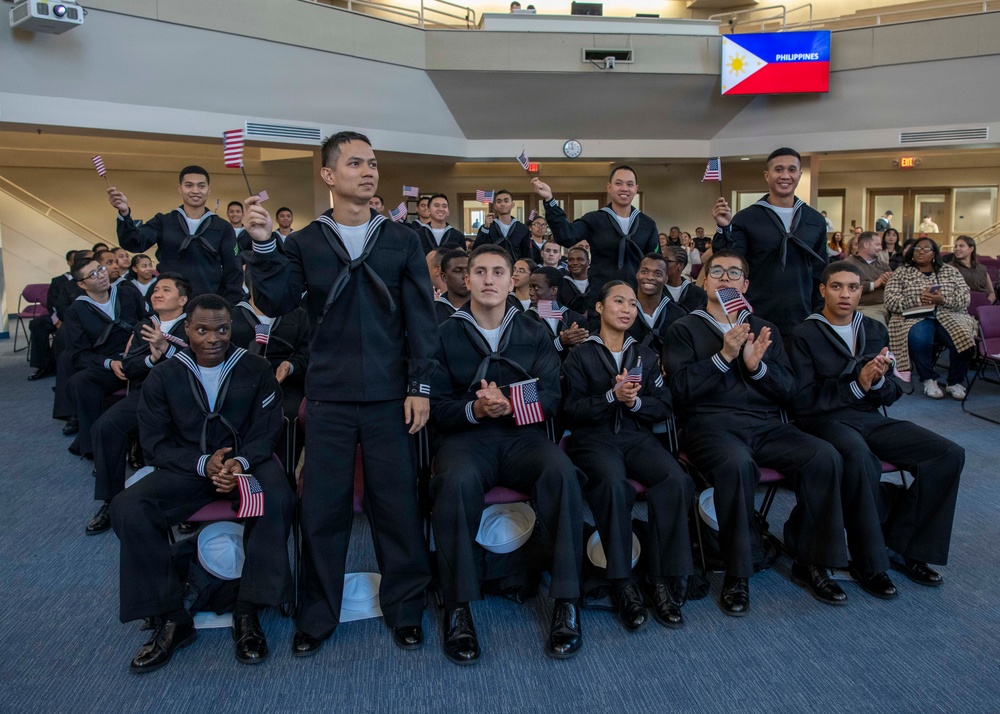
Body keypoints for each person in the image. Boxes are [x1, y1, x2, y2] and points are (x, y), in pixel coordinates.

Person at [244, 130, 436, 657]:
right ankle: (317, 615)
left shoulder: (402, 239)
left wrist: (420, 385)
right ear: (329, 176)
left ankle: (406, 609)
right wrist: (263, 243)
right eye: (355, 163)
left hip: (389, 396)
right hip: (327, 396)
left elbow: (423, 320)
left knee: (395, 507)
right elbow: (278, 299)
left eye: (372, 163)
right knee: (322, 511)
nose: (368, 171)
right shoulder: (305, 241)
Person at [111, 294, 294, 671]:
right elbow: (154, 442)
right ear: (187, 330)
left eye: (222, 329)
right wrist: (203, 464)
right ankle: (172, 617)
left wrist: (239, 463)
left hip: (248, 463)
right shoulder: (165, 375)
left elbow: (267, 428)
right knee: (129, 507)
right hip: (188, 466)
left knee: (277, 497)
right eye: (203, 330)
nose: (214, 338)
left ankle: (247, 609)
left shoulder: (255, 369)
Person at [663, 250, 851, 616]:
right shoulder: (683, 328)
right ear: (704, 281)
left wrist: (756, 366)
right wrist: (724, 356)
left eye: (734, 273)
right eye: (716, 271)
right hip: (710, 426)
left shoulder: (763, 329)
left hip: (765, 425)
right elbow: (679, 391)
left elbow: (789, 390)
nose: (725, 278)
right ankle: (738, 572)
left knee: (824, 456)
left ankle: (812, 560)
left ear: (745, 285)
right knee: (736, 465)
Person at [430, 245, 585, 664]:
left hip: (523, 437)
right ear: (465, 279)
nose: (487, 279)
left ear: (510, 279)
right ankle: (458, 607)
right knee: (454, 481)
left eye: (498, 272)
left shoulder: (534, 330)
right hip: (467, 438)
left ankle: (567, 600)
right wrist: (475, 408)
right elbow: (435, 406)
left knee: (562, 473)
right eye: (478, 271)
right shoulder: (443, 333)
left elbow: (552, 395)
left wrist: (513, 404)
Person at [791, 260, 964, 593]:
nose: (845, 294)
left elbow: (891, 392)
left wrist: (878, 382)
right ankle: (868, 563)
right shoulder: (804, 333)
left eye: (853, 287)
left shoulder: (874, 329)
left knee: (947, 454)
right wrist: (857, 384)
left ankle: (903, 545)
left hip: (869, 416)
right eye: (837, 286)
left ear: (861, 292)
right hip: (824, 420)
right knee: (860, 459)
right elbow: (801, 400)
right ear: (823, 290)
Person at [563, 281, 694, 631]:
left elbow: (664, 405)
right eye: (618, 301)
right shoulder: (580, 355)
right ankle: (622, 585)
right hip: (595, 440)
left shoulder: (646, 355)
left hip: (636, 438)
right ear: (600, 308)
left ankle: (661, 578)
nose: (627, 308)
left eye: (633, 304)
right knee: (613, 485)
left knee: (675, 480)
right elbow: (570, 412)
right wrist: (610, 397)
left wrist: (634, 402)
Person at [85, 272, 191, 535]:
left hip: (184, 397)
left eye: (166, 290)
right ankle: (111, 501)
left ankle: (187, 503)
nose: (157, 293)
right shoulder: (143, 326)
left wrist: (166, 350)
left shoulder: (192, 325)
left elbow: (199, 363)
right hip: (145, 396)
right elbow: (130, 367)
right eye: (155, 290)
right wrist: (151, 360)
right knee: (105, 427)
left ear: (183, 299)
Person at [711, 148, 828, 342]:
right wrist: (724, 228)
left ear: (800, 174)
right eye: (778, 169)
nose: (785, 176)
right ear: (767, 175)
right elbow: (731, 263)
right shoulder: (747, 218)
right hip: (757, 316)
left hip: (802, 316)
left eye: (792, 170)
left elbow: (820, 271)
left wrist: (818, 313)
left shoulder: (814, 219)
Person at [109, 166, 243, 303]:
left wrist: (229, 305)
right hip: (169, 306)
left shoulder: (222, 227)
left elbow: (233, 270)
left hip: (208, 304)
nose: (195, 191)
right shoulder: (164, 221)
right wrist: (124, 214)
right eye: (189, 185)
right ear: (180, 188)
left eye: (201, 186)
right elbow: (134, 242)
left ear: (208, 189)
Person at [61, 257, 147, 459]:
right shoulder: (77, 310)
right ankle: (95, 448)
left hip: (137, 355)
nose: (100, 275)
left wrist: (137, 340)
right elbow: (78, 354)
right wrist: (110, 363)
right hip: (108, 363)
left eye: (100, 269)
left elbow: (146, 319)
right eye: (92, 275)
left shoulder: (126, 292)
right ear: (82, 284)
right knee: (81, 382)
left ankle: (139, 441)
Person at [532, 166, 658, 289]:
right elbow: (566, 236)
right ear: (609, 187)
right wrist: (549, 200)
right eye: (618, 183)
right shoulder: (595, 219)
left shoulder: (647, 224)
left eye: (630, 184)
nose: (624, 188)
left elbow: (656, 262)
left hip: (636, 297)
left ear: (636, 189)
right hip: (601, 296)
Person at [884, 238, 976, 399]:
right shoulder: (901, 272)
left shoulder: (950, 271)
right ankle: (928, 379)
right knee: (920, 339)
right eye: (917, 248)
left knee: (964, 340)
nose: (921, 251)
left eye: (926, 249)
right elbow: (890, 301)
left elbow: (965, 299)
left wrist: (942, 300)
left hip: (948, 314)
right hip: (914, 317)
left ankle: (954, 382)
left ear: (935, 253)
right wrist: (918, 299)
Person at [27, 249, 80, 381]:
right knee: (37, 324)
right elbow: (52, 304)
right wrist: (57, 321)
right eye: (75, 260)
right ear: (69, 262)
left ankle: (60, 364)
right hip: (58, 316)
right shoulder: (58, 281)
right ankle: (43, 366)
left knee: (64, 333)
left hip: (75, 317)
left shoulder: (87, 279)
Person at [628, 253, 688, 354]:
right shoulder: (622, 311)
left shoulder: (678, 315)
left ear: (665, 279)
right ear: (637, 274)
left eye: (658, 274)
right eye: (644, 271)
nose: (650, 277)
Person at [526, 266, 588, 358]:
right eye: (530, 287)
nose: (530, 293)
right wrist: (561, 342)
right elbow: (530, 355)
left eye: (536, 287)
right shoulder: (525, 320)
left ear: (553, 290)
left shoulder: (576, 319)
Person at [845, 231, 893, 325]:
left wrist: (888, 283)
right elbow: (848, 287)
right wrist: (873, 285)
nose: (880, 248)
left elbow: (894, 287)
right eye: (877, 244)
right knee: (878, 328)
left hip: (888, 307)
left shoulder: (883, 265)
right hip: (864, 307)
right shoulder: (848, 264)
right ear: (866, 245)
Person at [473, 189, 531, 261]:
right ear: (495, 206)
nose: (502, 204)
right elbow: (478, 249)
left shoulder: (522, 228)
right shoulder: (488, 227)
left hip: (515, 268)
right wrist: (485, 228)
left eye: (506, 201)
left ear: (512, 204)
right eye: (499, 201)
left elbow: (527, 253)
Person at [558, 246, 600, 330]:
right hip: (569, 330)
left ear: (588, 262)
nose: (575, 263)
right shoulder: (561, 285)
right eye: (571, 260)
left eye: (580, 259)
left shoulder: (597, 283)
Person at [945, 235, 996, 304]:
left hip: (982, 304)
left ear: (971, 249)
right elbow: (947, 293)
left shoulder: (982, 268)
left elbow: (991, 292)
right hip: (961, 305)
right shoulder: (949, 267)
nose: (957, 249)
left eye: (961, 246)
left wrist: (987, 302)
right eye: (955, 246)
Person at [663, 246, 708, 313]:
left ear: (680, 266)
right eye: (661, 260)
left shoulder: (698, 294)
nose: (662, 264)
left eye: (667, 261)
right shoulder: (656, 290)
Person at [434, 249, 470, 323]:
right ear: (444, 277)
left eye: (468, 270)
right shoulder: (431, 312)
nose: (465, 276)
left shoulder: (486, 309)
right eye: (458, 271)